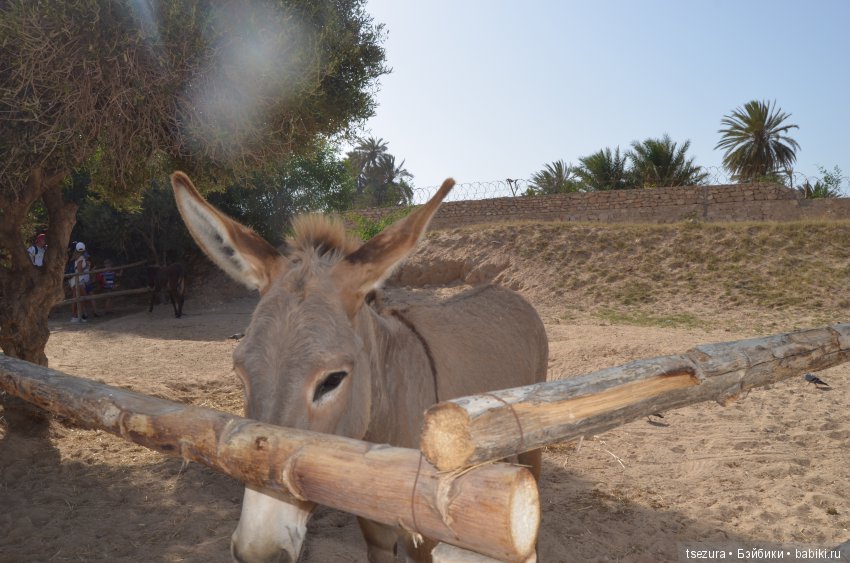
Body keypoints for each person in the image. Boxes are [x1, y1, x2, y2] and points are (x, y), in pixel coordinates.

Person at [68, 242, 99, 323]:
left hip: (76, 280)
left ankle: (77, 316)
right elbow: (80, 270)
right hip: (79, 280)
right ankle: (76, 316)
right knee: (82, 298)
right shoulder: (81, 257)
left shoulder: (76, 257)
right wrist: (87, 266)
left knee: (78, 298)